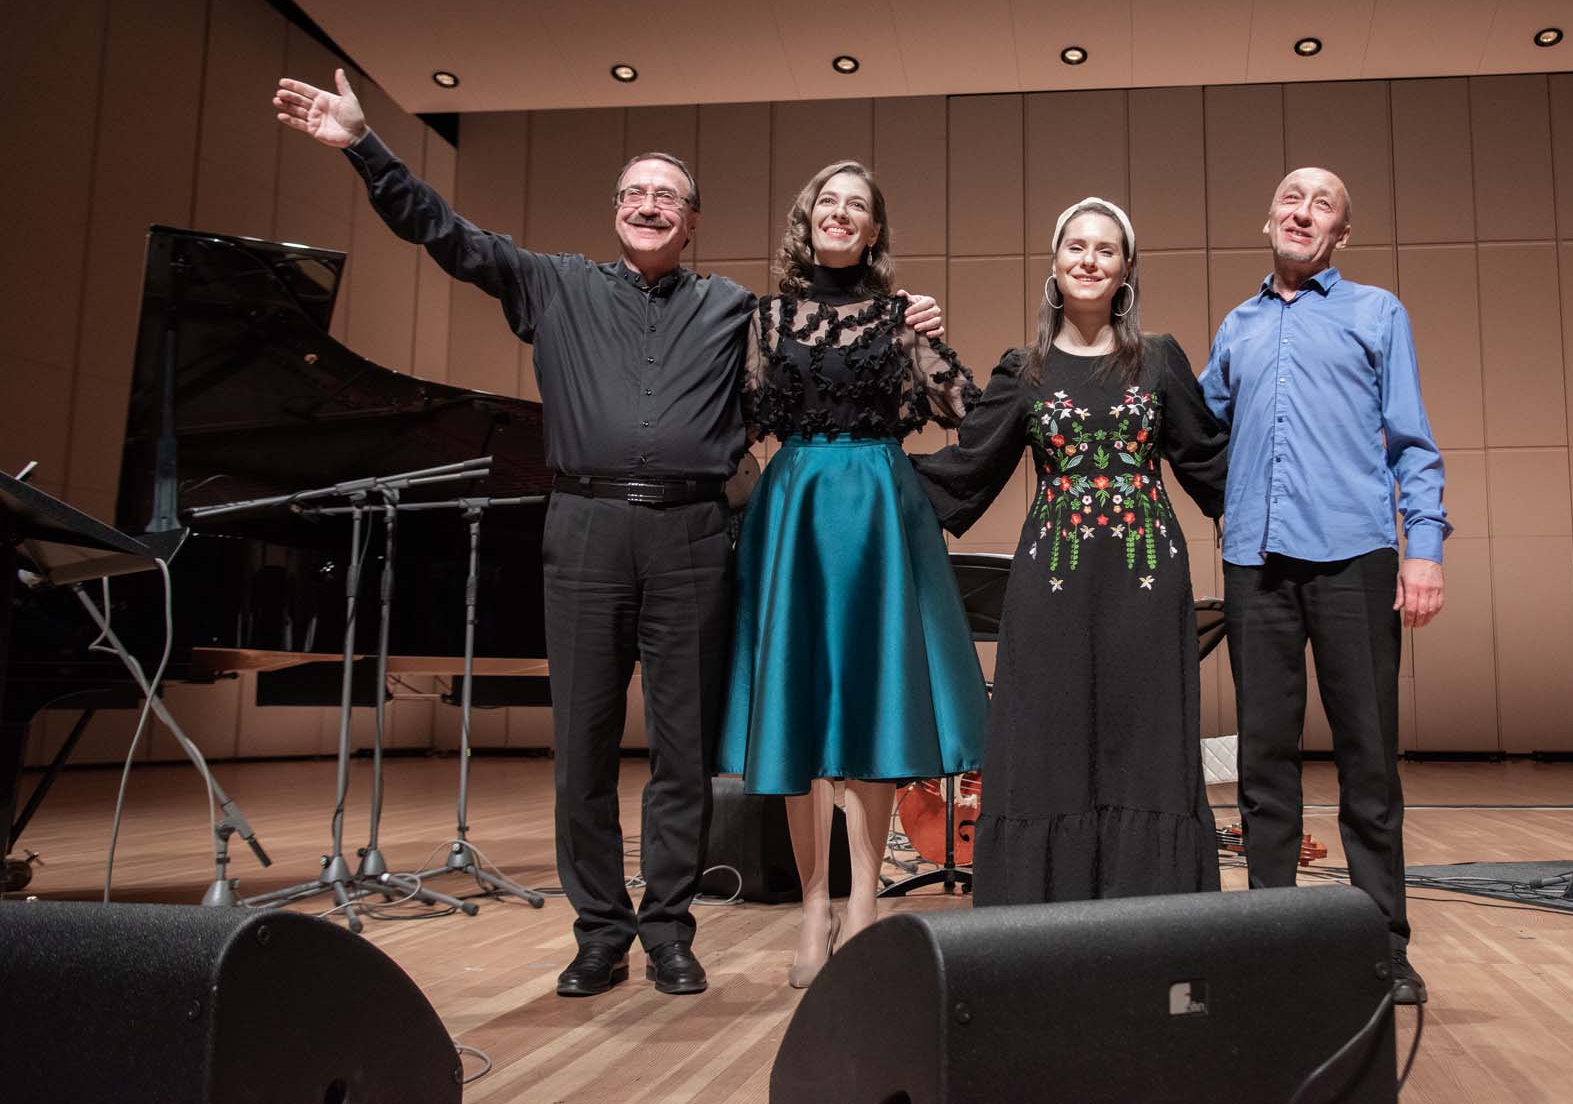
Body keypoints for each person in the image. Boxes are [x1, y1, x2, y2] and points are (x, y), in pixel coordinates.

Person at [271, 72, 941, 999]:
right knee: (582, 746)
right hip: (584, 530)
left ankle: (668, 930)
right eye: (635, 193)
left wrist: (905, 321)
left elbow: (826, 340)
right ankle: (598, 931)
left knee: (682, 753)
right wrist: (363, 145)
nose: (649, 206)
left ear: (692, 221)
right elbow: (445, 234)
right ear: (616, 209)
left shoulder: (733, 309)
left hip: (693, 537)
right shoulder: (553, 284)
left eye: (668, 196)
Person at [716, 160, 988, 988]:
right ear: (807, 222)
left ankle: (865, 902)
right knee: (798, 714)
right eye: (827, 202)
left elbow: (971, 411)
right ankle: (815, 906)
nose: (839, 214)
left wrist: (931, 338)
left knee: (873, 711)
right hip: (795, 518)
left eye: (856, 206)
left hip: (876, 518)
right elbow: (730, 428)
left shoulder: (901, 318)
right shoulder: (766, 319)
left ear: (874, 231)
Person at [913, 198, 1228, 905]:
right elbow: (964, 471)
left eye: (1105, 249)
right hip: (1052, 586)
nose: (1089, 260)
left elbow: (1213, 466)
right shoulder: (1024, 370)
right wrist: (866, 483)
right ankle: (1043, 913)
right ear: (1055, 264)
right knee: (1046, 735)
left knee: (1146, 738)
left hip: (1146, 584)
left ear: (1127, 270)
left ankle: (1152, 913)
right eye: (1076, 247)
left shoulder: (1161, 360)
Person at [1199, 166, 1449, 1006]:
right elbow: (1197, 436)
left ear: (1342, 232)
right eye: (1291, 198)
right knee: (1263, 761)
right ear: (1269, 217)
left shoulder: (1377, 312)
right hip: (1256, 565)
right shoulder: (1236, 326)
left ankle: (1382, 946)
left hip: (1354, 558)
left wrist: (1424, 549)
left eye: (1323, 204)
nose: (1303, 211)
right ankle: (1271, 941)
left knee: (1368, 761)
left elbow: (1412, 443)